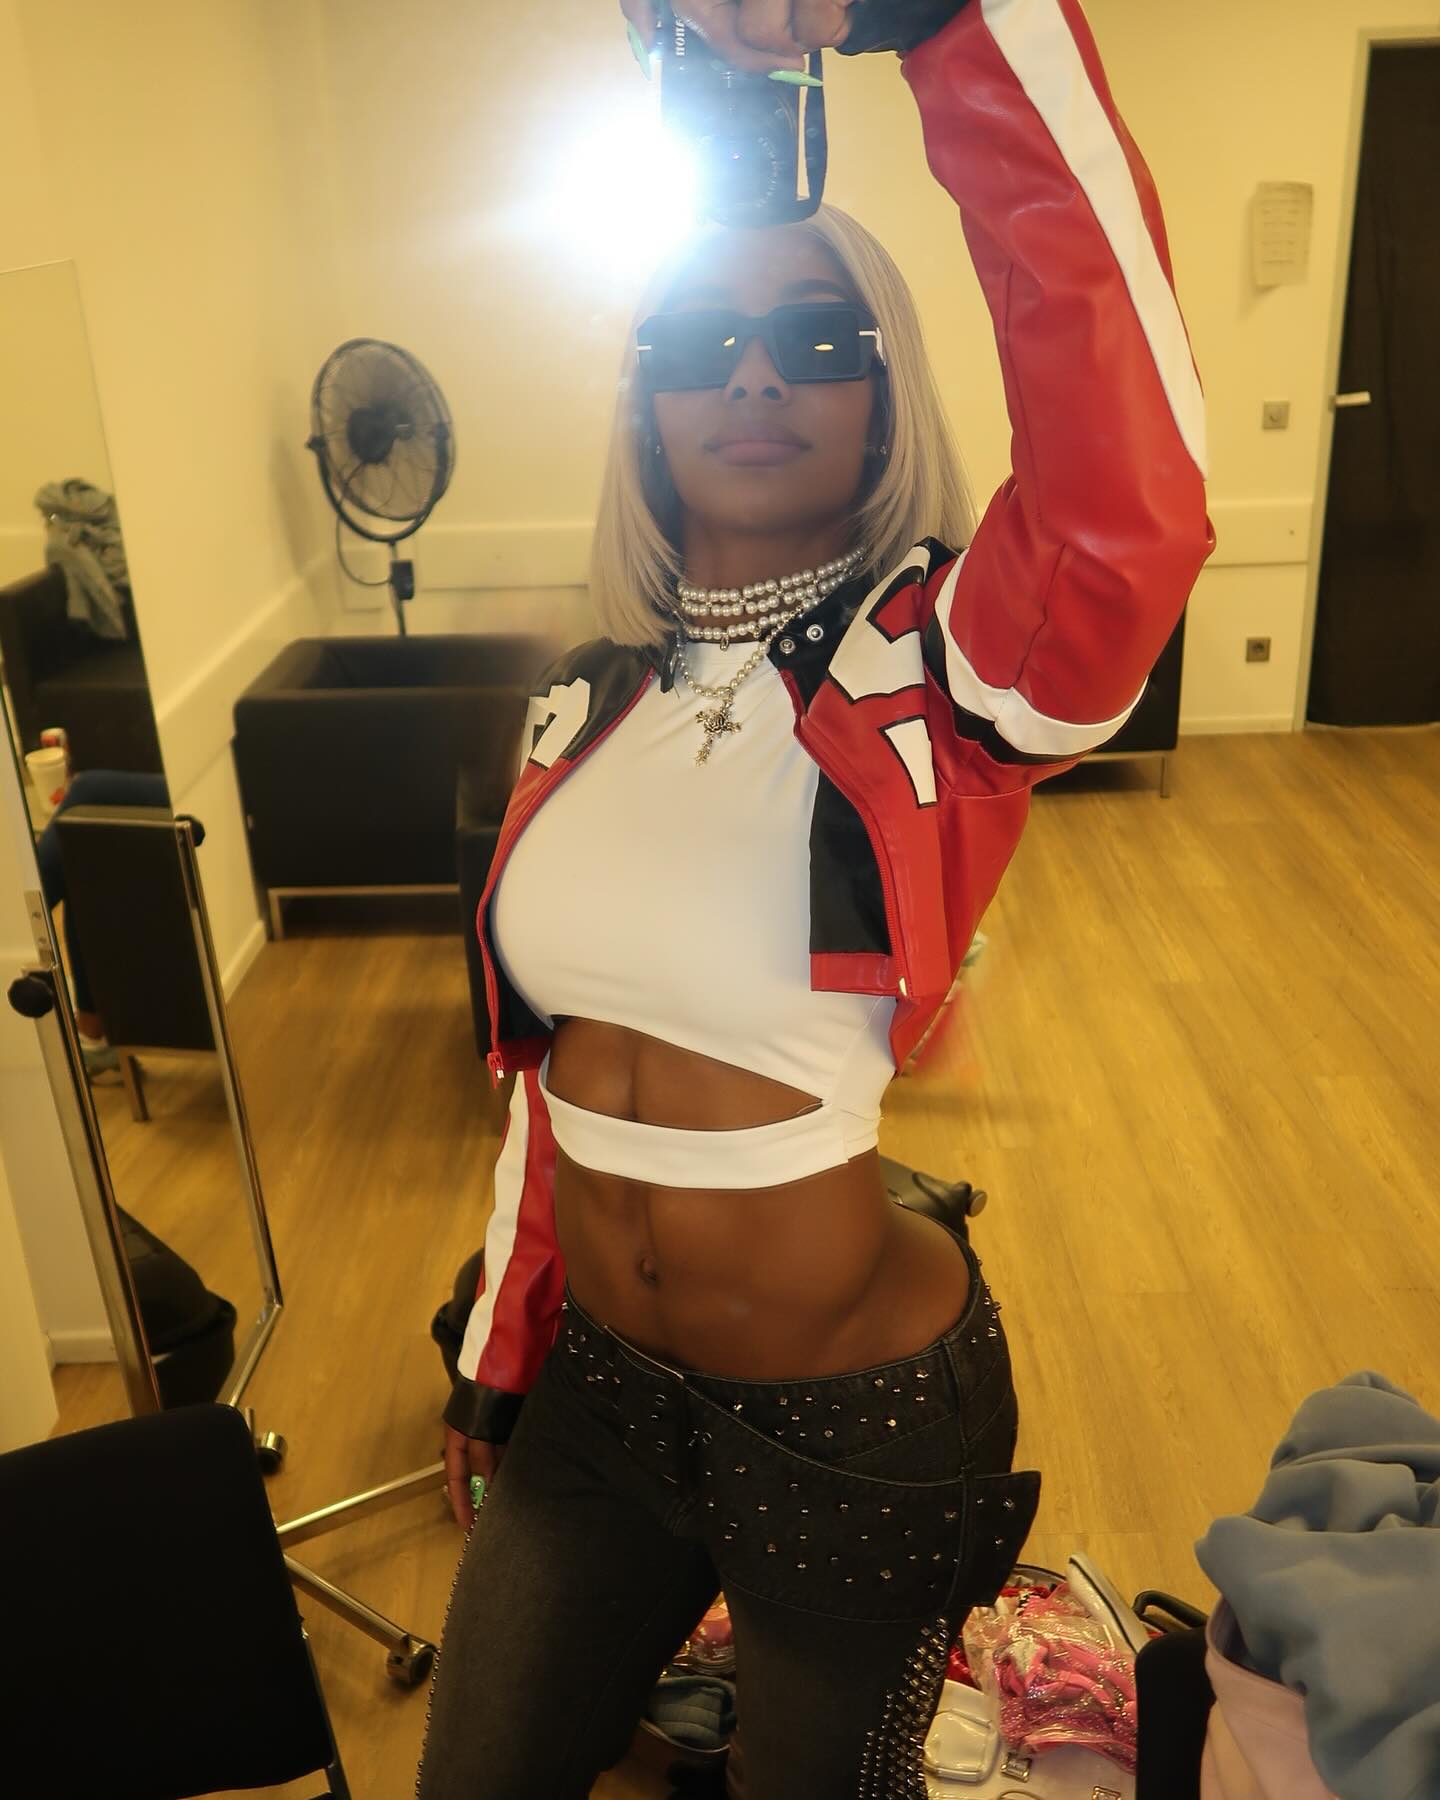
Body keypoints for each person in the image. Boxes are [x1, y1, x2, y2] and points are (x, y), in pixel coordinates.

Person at [418, 2, 1213, 1795]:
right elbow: (545, 1079)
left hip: (855, 1421)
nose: (758, 378)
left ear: (881, 390)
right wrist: (501, 1345)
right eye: (705, 340)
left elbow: (1128, 511)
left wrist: (949, 30)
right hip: (603, 1398)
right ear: (648, 400)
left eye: (816, 338)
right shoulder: (584, 702)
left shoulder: (947, 672)